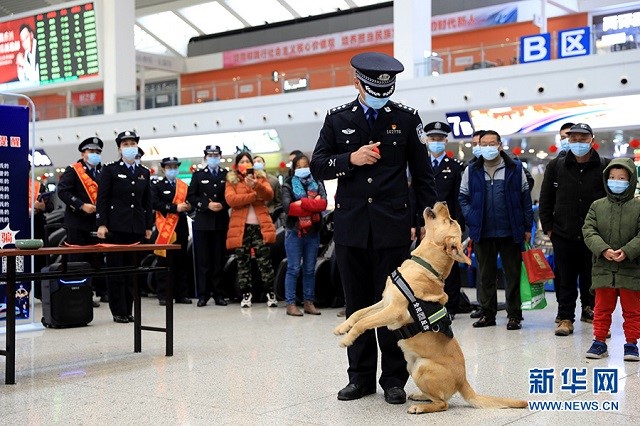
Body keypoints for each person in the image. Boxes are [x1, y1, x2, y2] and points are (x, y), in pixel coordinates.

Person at [310, 52, 437, 405]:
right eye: (373, 90)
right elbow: (318, 165)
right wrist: (350, 159)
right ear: (357, 84)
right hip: (351, 228)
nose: (381, 96)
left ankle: (394, 379)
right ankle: (360, 378)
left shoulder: (406, 119)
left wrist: (429, 222)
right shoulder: (338, 120)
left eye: (387, 90)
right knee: (358, 306)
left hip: (393, 227)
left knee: (395, 306)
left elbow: (423, 176)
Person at [459, 130, 533, 331]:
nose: (489, 147)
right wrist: (472, 216)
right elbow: (463, 197)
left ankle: (514, 315)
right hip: (483, 230)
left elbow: (525, 199)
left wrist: (527, 227)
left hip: (510, 231)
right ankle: (487, 313)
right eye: (485, 144)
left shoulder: (515, 168)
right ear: (479, 146)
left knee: (512, 274)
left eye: (493, 143)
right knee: (485, 275)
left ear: (500, 145)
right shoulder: (471, 170)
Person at [539, 123, 608, 337]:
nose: (578, 142)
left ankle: (591, 311)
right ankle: (565, 318)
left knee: (592, 277)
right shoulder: (556, 166)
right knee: (565, 279)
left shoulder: (604, 166)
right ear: (568, 141)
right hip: (563, 233)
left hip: (594, 235)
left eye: (583, 138)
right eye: (574, 139)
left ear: (592, 140)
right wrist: (549, 228)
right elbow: (546, 200)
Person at [582, 158, 640, 362]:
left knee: (632, 310)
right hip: (603, 267)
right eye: (612, 178)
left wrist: (627, 250)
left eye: (622, 178)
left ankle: (631, 343)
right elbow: (588, 230)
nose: (616, 181)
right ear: (606, 180)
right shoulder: (597, 206)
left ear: (631, 180)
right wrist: (603, 249)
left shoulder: (638, 206)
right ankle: (599, 341)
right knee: (601, 308)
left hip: (631, 268)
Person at [96, 130, 153, 323]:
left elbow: (147, 202)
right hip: (115, 229)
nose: (129, 147)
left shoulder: (143, 172)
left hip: (135, 228)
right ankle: (118, 311)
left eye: (132, 144)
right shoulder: (110, 169)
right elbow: (102, 199)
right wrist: (101, 224)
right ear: (119, 148)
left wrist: (148, 225)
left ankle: (128, 309)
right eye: (125, 144)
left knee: (132, 272)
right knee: (116, 272)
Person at [225, 152, 278, 308]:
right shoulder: (231, 180)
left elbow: (268, 195)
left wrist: (256, 186)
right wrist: (254, 196)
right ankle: (246, 294)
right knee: (243, 262)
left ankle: (270, 292)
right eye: (242, 161)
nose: (246, 163)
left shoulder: (260, 177)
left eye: (248, 161)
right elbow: (231, 200)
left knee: (265, 262)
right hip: (241, 228)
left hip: (260, 226)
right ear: (236, 164)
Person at [57, 137, 106, 305]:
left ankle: (90, 292)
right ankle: (76, 293)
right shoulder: (74, 170)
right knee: (77, 259)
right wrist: (80, 205)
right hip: (77, 222)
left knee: (94, 259)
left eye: (98, 152)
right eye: (91, 151)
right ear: (83, 153)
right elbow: (62, 191)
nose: (95, 155)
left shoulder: (101, 172)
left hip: (95, 222)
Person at [424, 121, 465, 318]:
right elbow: (415, 196)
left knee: (450, 265)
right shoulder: (421, 165)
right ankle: (431, 302)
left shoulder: (455, 167)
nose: (436, 142)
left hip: (447, 227)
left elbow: (458, 200)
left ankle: (451, 306)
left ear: (446, 141)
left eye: (440, 139)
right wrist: (416, 224)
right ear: (427, 140)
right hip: (427, 226)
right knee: (428, 264)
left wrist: (456, 228)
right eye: (433, 139)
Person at [281, 154, 327, 316]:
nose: (302, 169)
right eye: (299, 166)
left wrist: (303, 203)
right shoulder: (288, 184)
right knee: (293, 268)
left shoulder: (317, 182)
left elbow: (323, 204)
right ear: (294, 168)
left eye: (305, 165)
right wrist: (312, 204)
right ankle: (290, 304)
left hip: (313, 232)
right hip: (294, 232)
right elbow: (289, 208)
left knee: (309, 269)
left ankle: (309, 302)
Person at [187, 145, 230, 307]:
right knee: (203, 261)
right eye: (210, 155)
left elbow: (230, 196)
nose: (213, 157)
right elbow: (191, 196)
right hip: (202, 223)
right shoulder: (198, 175)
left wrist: (223, 205)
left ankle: (219, 294)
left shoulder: (226, 175)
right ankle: (203, 294)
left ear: (220, 156)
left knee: (218, 260)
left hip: (220, 222)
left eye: (216, 155)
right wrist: (205, 205)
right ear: (205, 156)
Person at [151, 157, 193, 306]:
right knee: (164, 263)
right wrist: (175, 208)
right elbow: (155, 203)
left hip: (180, 228)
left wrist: (188, 207)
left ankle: (182, 294)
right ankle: (163, 294)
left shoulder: (183, 186)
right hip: (164, 229)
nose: (172, 169)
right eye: (169, 167)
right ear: (163, 169)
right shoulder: (157, 186)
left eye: (175, 167)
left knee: (181, 262)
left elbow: (190, 204)